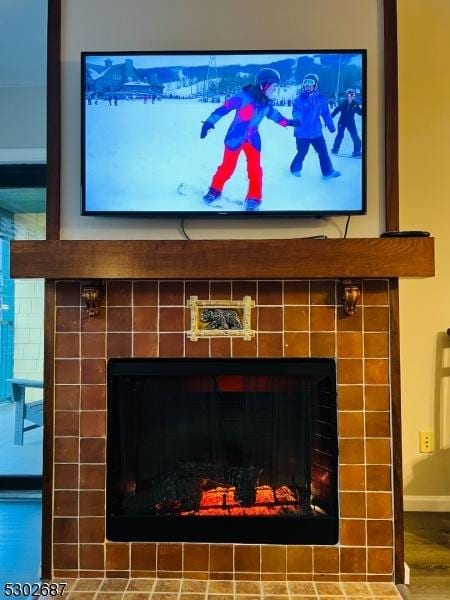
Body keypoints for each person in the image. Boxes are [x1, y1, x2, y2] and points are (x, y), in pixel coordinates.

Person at [200, 68, 299, 211]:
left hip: (252, 139)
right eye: (274, 86)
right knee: (227, 167)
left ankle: (254, 198)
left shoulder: (266, 103)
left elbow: (274, 115)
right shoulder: (242, 97)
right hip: (235, 137)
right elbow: (223, 109)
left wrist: (288, 122)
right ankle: (215, 190)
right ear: (263, 85)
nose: (275, 90)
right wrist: (209, 122)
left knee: (255, 170)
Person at [289, 73, 340, 179]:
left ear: (315, 85)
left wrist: (331, 126)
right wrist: (298, 120)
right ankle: (295, 169)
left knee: (323, 152)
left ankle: (328, 172)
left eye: (310, 84)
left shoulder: (321, 100)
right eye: (306, 84)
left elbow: (326, 114)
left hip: (316, 132)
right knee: (302, 152)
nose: (308, 87)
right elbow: (297, 112)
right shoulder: (299, 100)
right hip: (302, 133)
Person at [330, 88, 362, 156]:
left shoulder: (355, 104)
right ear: (347, 96)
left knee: (355, 136)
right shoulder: (343, 103)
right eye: (350, 95)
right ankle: (335, 149)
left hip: (351, 123)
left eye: (353, 95)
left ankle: (357, 151)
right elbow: (336, 110)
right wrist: (330, 117)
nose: (351, 97)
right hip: (342, 122)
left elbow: (360, 112)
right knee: (340, 135)